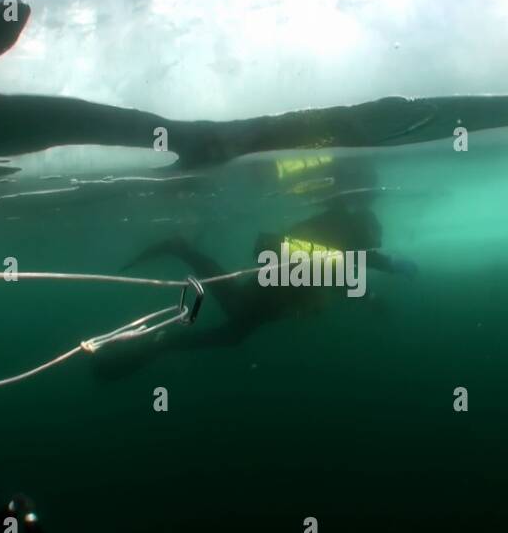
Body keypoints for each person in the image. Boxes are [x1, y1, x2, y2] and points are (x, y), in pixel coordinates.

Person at [93, 154, 416, 379]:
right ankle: (160, 333)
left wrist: (381, 272)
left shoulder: (345, 227)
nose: (377, 238)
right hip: (280, 288)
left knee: (234, 325)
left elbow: (350, 262)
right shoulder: (344, 226)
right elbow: (344, 266)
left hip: (283, 288)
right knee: (235, 317)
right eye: (374, 235)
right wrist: (373, 288)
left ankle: (158, 342)